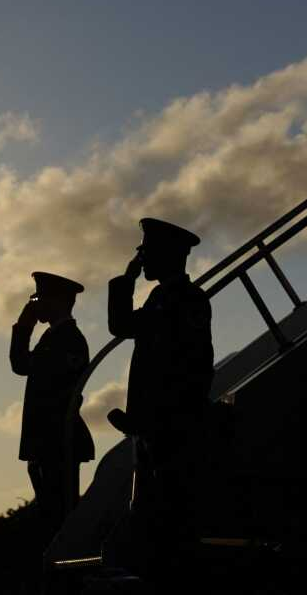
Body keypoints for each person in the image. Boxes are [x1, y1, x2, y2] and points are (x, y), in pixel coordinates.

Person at [106, 218, 213, 584]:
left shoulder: (189, 300)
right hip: (155, 428)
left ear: (169, 255)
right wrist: (127, 280)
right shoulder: (160, 298)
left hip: (173, 428)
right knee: (151, 514)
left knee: (169, 519)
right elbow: (121, 325)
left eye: (147, 251)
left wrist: (164, 419)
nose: (140, 256)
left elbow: (191, 368)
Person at [9, 272, 95, 552]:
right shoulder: (54, 337)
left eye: (38, 298)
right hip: (46, 443)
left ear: (58, 301)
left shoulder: (69, 339)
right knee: (50, 520)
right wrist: (24, 326)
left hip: (58, 442)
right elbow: (22, 365)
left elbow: (29, 369)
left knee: (59, 520)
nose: (34, 303)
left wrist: (24, 327)